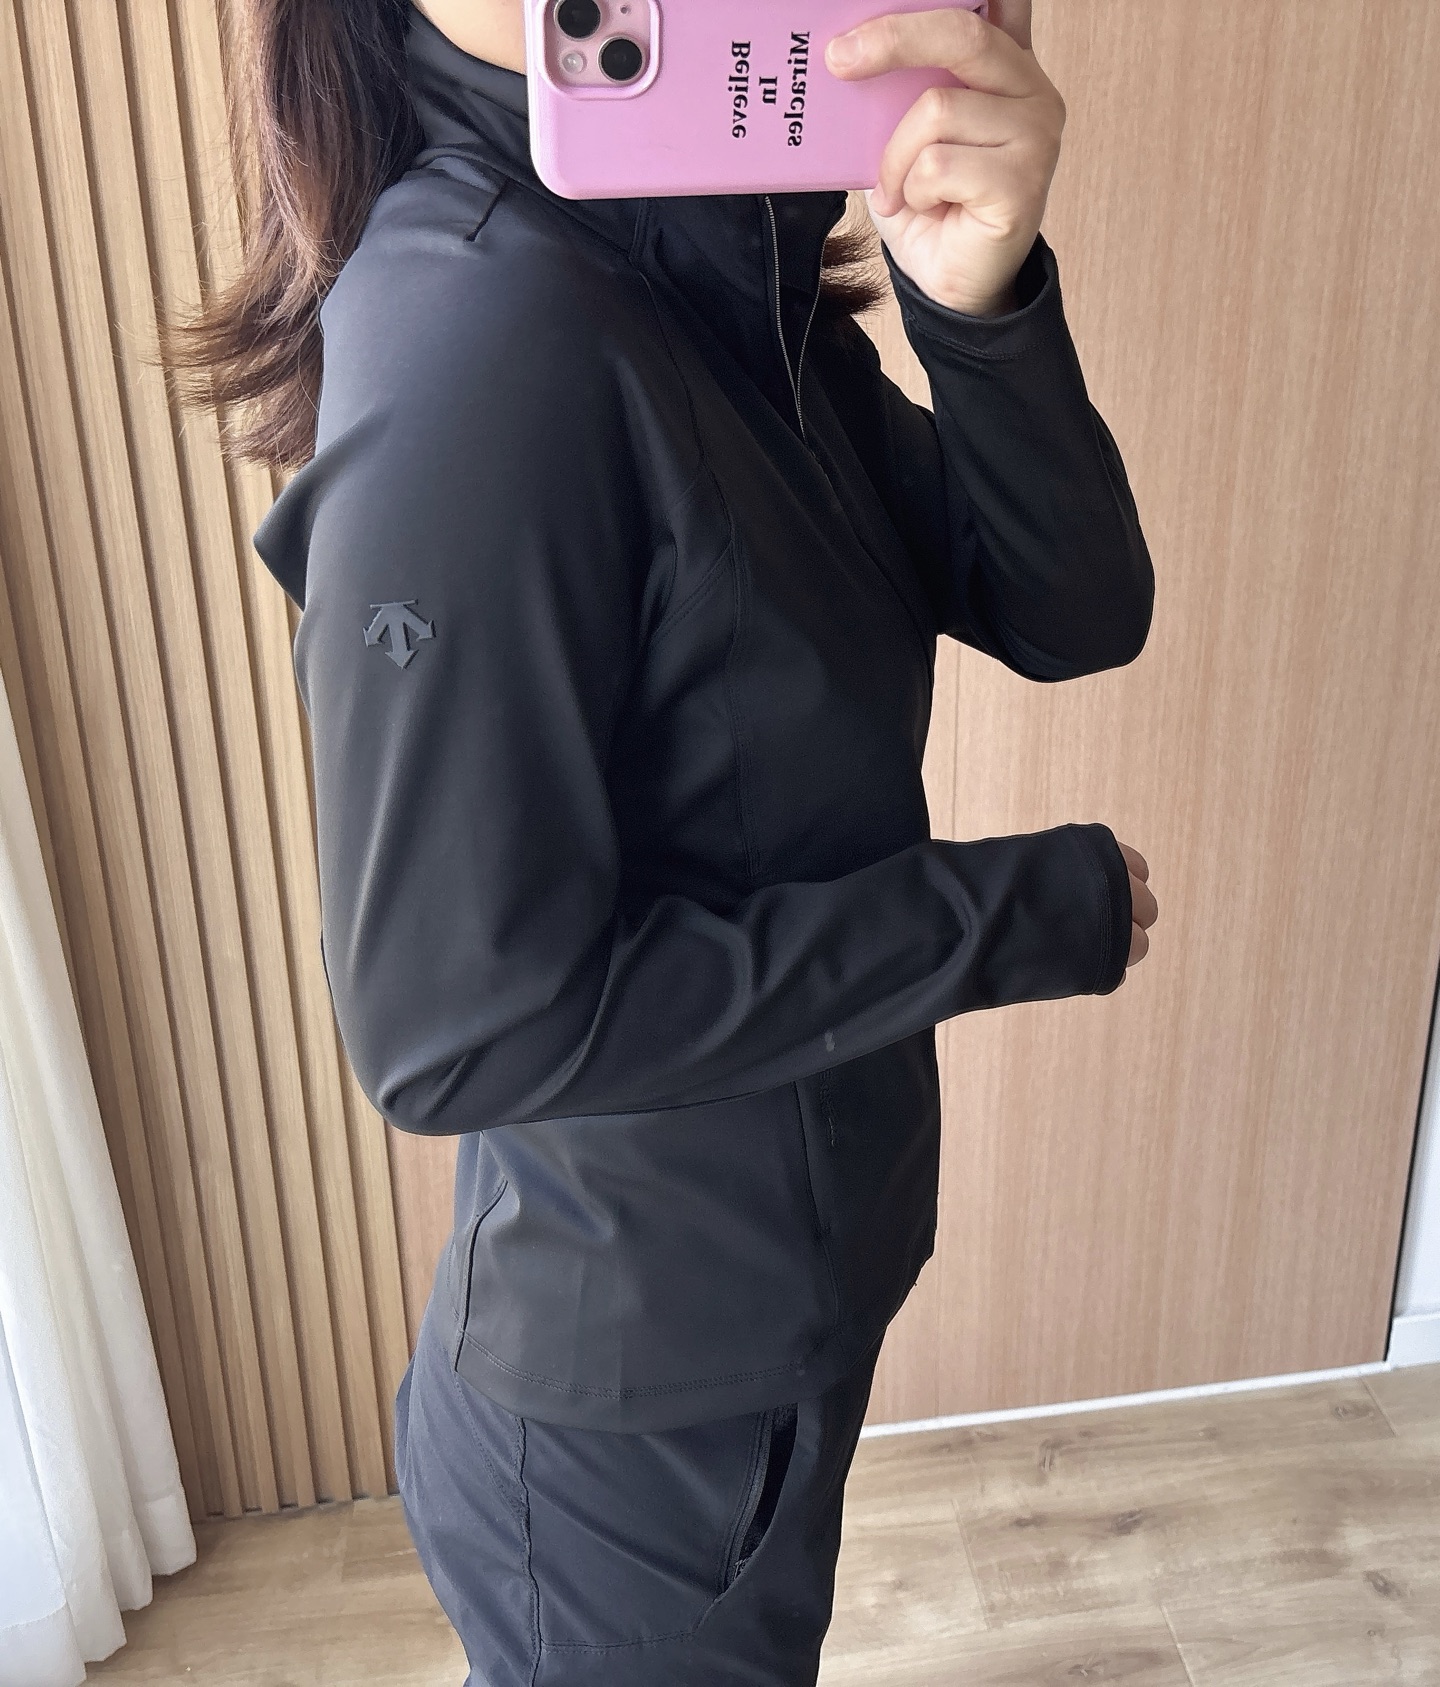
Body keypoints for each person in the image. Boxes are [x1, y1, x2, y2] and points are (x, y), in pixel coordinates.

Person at [166, 1, 1159, 1681]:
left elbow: (1068, 606)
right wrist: (1015, 914)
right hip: (637, 1443)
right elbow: (454, 1028)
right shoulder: (488, 334)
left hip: (756, 1321)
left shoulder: (705, 254)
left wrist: (974, 298)